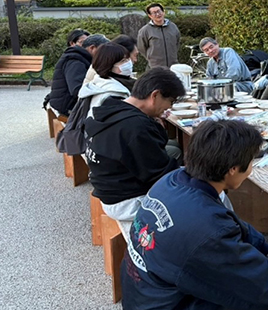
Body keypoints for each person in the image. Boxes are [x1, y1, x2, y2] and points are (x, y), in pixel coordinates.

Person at [121, 119, 268, 310]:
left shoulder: (175, 180)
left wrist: (265, 249)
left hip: (147, 293)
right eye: (250, 162)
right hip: (170, 303)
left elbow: (228, 221)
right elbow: (256, 281)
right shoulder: (206, 230)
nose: (250, 169)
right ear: (232, 169)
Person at [84, 67, 186, 238]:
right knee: (202, 194)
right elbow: (162, 174)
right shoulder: (135, 127)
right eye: (171, 101)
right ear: (155, 95)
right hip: (127, 201)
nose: (170, 107)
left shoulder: (110, 108)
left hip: (109, 188)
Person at [49, 33, 109, 116]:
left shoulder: (82, 58)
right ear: (92, 48)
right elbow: (77, 90)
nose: (104, 54)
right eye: (102, 51)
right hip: (68, 106)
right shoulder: (75, 61)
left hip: (70, 102)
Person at [78, 42, 133, 118]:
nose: (128, 63)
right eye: (123, 61)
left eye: (128, 59)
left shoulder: (99, 81)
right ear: (108, 65)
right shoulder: (114, 93)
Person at [137, 3, 181, 68]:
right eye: (154, 13)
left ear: (163, 12)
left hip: (173, 65)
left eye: (159, 11)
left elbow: (177, 43)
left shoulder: (173, 27)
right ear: (150, 16)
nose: (157, 14)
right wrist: (151, 58)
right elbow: (142, 48)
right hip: (155, 66)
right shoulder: (145, 30)